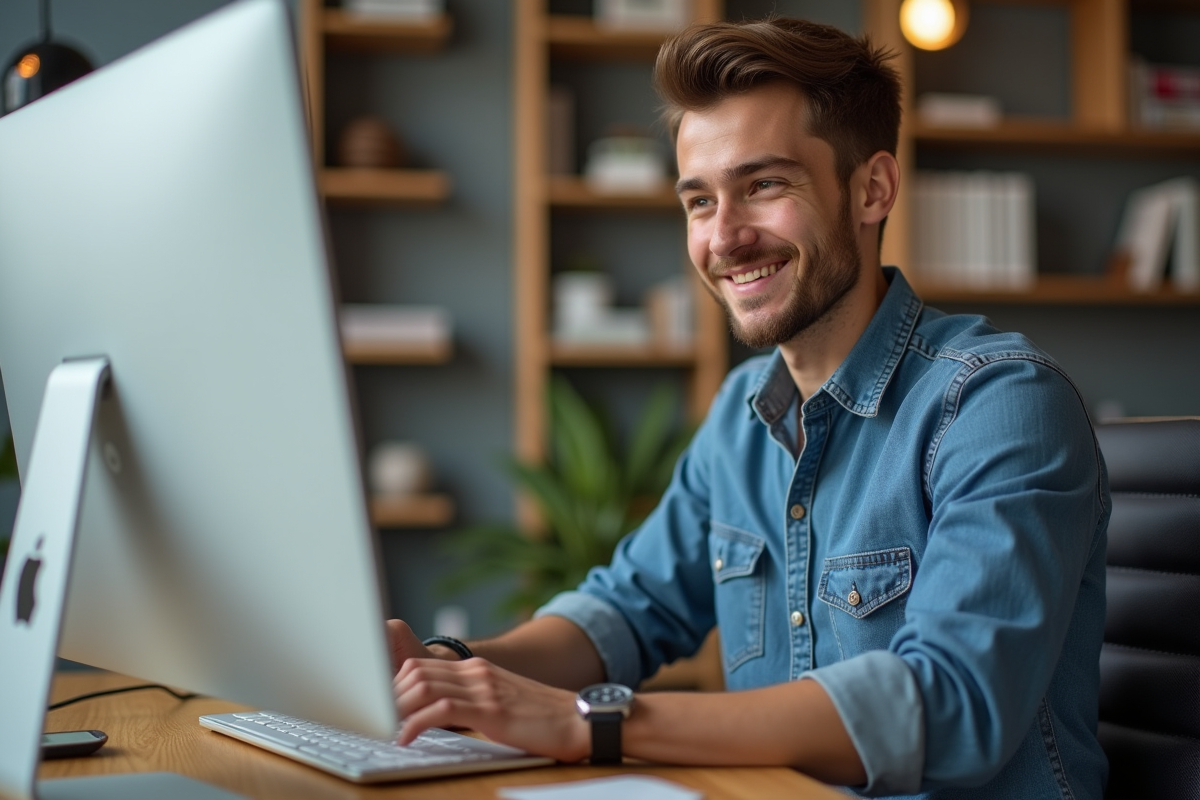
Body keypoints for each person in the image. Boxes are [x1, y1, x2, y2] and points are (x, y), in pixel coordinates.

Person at [387, 17, 1110, 799]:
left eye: (764, 185)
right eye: (699, 201)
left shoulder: (998, 404)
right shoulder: (741, 414)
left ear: (872, 189)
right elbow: (627, 610)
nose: (724, 238)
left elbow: (953, 706)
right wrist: (449, 670)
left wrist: (592, 722)